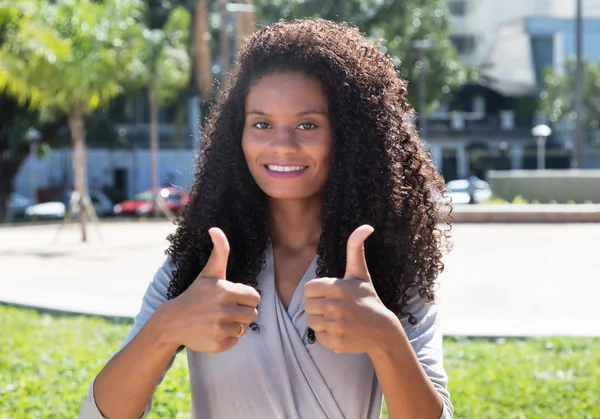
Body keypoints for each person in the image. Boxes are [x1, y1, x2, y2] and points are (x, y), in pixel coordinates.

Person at [80, 18, 454, 419]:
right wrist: (165, 328)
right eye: (261, 124)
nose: (281, 145)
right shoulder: (198, 264)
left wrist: (386, 338)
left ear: (351, 136)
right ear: (236, 135)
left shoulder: (391, 268)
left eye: (307, 124)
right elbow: (97, 415)